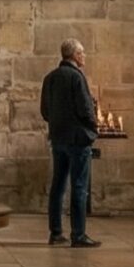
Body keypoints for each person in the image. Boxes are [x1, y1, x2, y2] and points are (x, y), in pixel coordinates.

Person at [40, 39, 100, 248]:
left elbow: (45, 111)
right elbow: (86, 108)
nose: (84, 56)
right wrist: (93, 128)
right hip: (78, 139)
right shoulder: (76, 77)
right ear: (74, 55)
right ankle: (78, 234)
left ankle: (56, 233)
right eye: (82, 52)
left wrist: (58, 125)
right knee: (79, 186)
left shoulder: (50, 78)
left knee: (58, 185)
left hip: (58, 138)